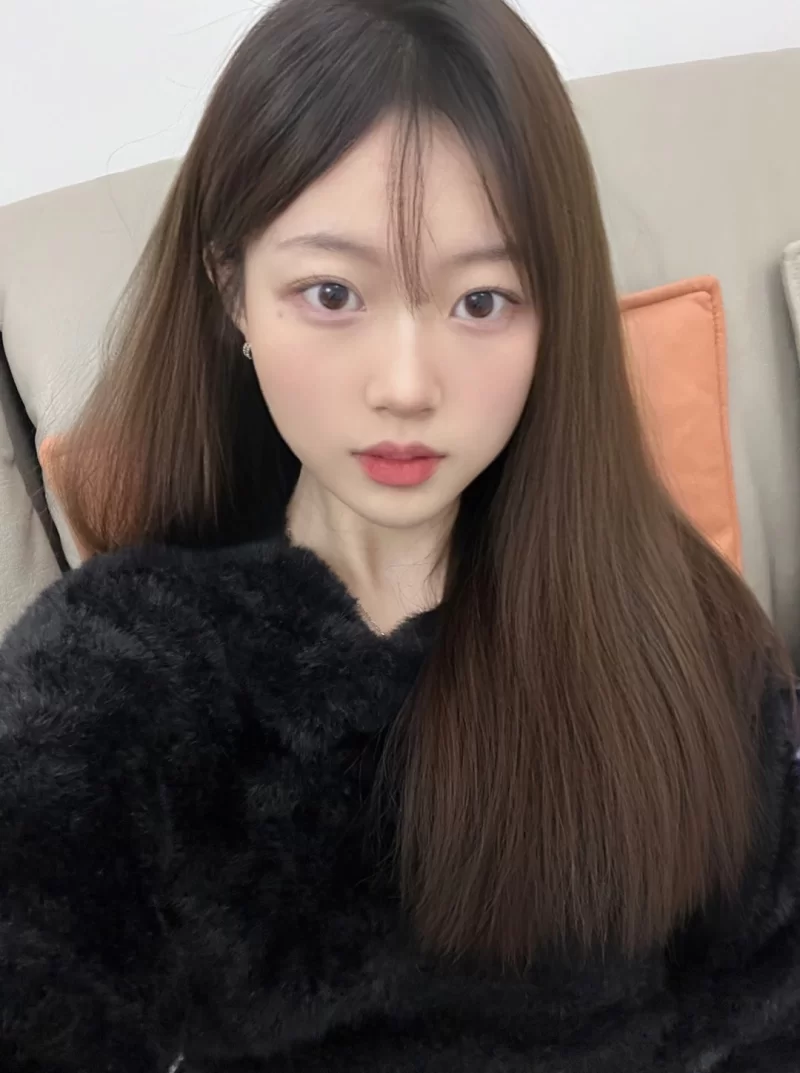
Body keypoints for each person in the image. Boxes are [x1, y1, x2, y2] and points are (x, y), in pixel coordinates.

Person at [1, 0, 799, 1069]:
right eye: (332, 292)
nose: (408, 385)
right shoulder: (125, 670)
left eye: (482, 301)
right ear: (232, 290)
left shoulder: (675, 622)